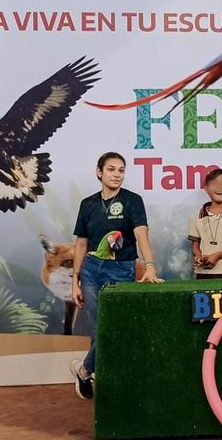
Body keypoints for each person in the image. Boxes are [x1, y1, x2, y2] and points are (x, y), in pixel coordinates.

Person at [69, 152, 163, 400]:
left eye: (121, 170)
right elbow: (80, 243)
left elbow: (142, 235)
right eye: (111, 169)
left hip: (121, 269)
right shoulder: (88, 204)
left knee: (112, 325)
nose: (117, 174)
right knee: (98, 326)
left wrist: (150, 265)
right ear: (99, 172)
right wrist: (75, 280)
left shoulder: (133, 201)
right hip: (90, 269)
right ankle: (103, 380)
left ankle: (84, 370)